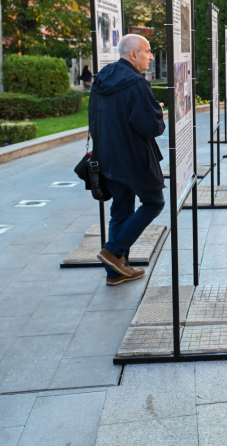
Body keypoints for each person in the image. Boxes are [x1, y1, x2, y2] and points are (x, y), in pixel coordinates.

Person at [91, 34, 166, 286]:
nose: (151, 56)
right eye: (147, 51)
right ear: (133, 54)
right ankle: (113, 250)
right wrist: (158, 111)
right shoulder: (136, 83)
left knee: (121, 210)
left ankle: (115, 272)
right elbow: (150, 127)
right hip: (135, 159)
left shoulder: (102, 77)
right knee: (154, 202)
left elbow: (93, 120)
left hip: (108, 157)